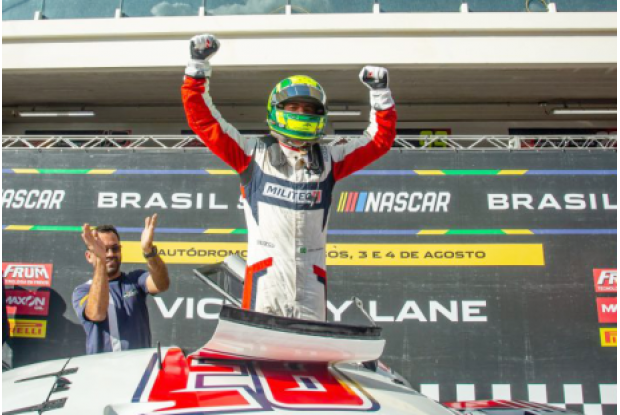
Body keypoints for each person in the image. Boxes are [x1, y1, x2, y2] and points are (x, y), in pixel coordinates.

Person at [182, 34, 397, 321]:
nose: (302, 114)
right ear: (276, 110)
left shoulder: (330, 159)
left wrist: (380, 95)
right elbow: (203, 121)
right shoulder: (251, 154)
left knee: (308, 360)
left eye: (309, 109)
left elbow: (379, 141)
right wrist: (197, 67)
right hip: (265, 281)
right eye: (293, 108)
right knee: (260, 358)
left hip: (312, 283)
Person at [72, 215, 169, 354]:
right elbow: (96, 314)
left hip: (139, 368)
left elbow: (162, 284)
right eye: (104, 249)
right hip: (103, 370)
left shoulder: (135, 279)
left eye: (115, 248)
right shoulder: (82, 291)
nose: (110, 254)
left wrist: (149, 251)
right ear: (89, 256)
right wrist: (100, 260)